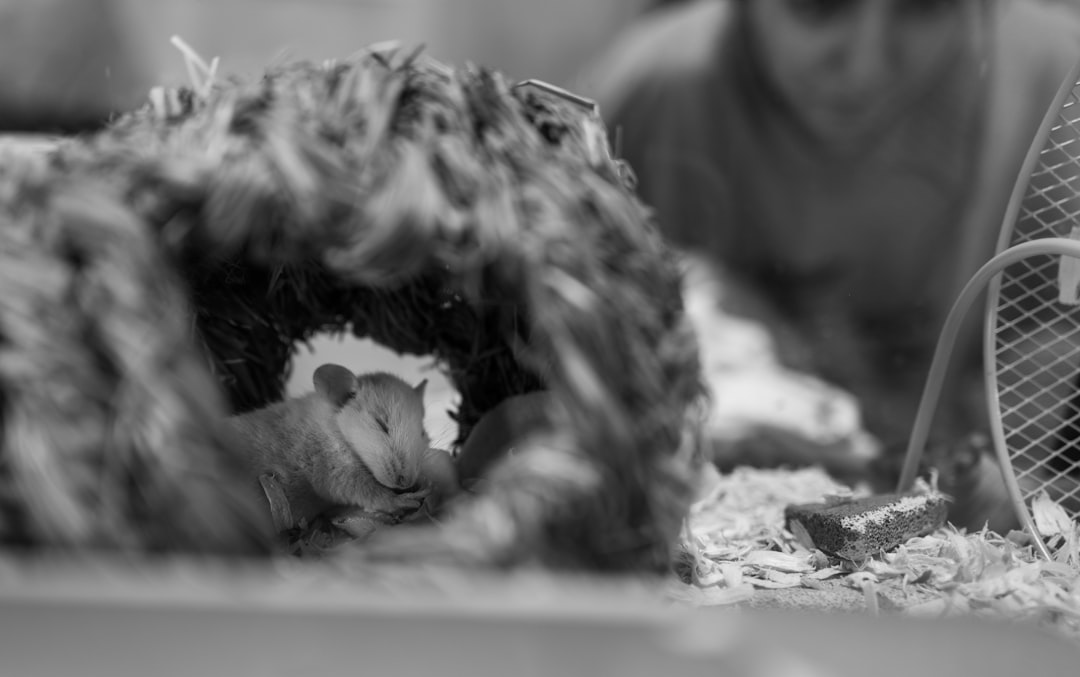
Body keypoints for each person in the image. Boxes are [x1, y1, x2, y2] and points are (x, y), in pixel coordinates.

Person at [575, 0, 1080, 529]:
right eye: (819, 7)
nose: (867, 66)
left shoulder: (1057, 98)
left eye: (924, 8)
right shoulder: (653, 94)